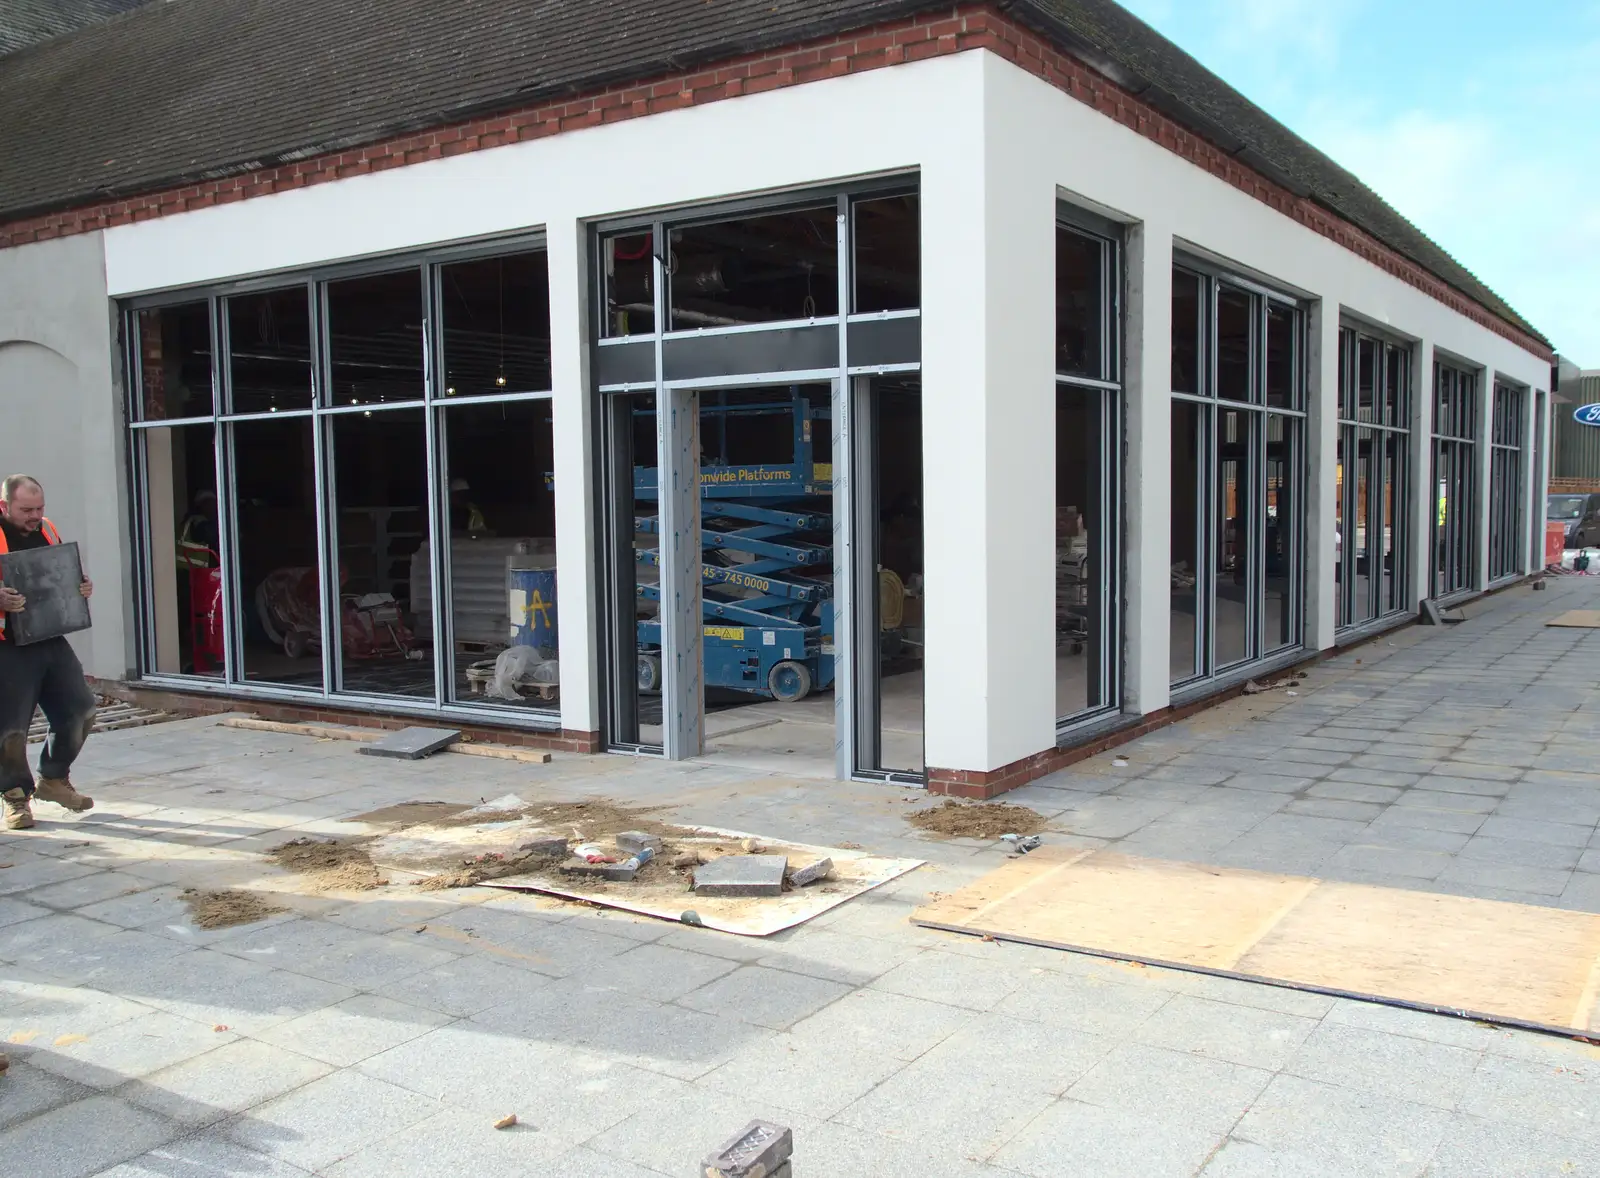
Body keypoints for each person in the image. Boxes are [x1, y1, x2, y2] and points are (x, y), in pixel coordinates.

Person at [0, 474, 97, 831]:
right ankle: (14, 797)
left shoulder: (47, 528)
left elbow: (58, 573)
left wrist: (80, 585)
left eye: (39, 508)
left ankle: (53, 780)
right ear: (4, 505)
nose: (35, 515)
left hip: (49, 636)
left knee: (81, 710)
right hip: (7, 645)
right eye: (26, 509)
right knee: (9, 730)